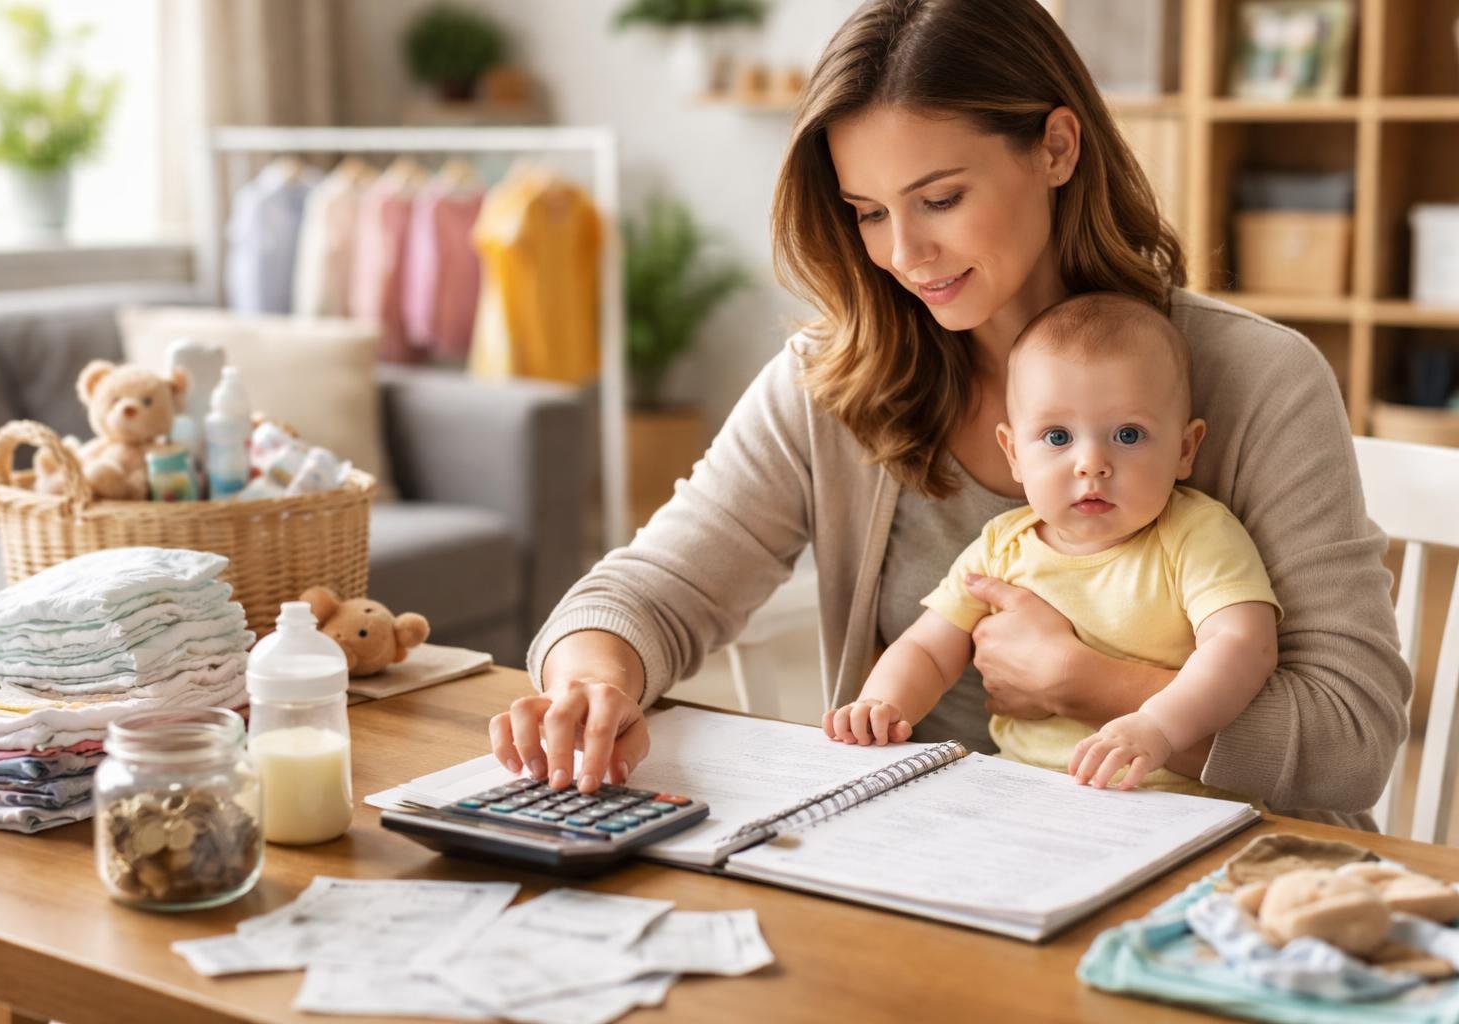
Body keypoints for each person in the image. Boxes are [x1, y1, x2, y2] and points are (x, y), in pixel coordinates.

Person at [490, 0, 1408, 829]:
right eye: (868, 212)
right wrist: (591, 686)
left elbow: (1355, 738)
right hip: (947, 860)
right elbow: (655, 587)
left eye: (939, 199)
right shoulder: (840, 378)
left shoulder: (1257, 378)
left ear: (1056, 147)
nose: (904, 252)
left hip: (1222, 884)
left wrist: (1093, 685)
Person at [823, 292, 1280, 798]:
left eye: (1128, 434)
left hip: (1166, 801)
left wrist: (1159, 727)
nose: (1091, 463)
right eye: (1058, 437)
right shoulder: (1003, 545)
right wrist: (883, 704)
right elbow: (928, 649)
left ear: (1184, 449)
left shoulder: (1195, 534)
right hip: (1023, 792)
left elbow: (1242, 646)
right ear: (1015, 453)